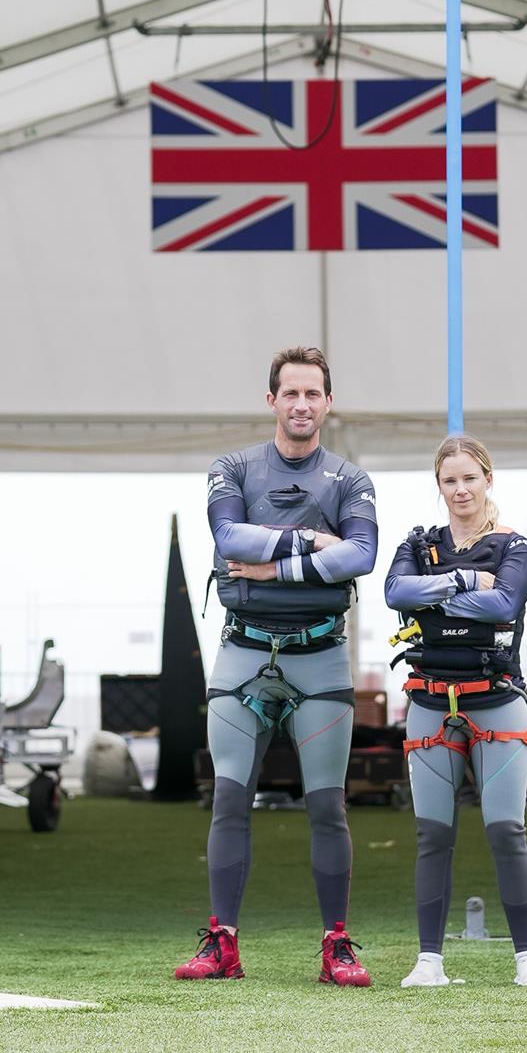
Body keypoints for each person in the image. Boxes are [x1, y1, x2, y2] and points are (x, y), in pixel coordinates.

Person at [175, 346, 377, 986]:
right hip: (242, 654)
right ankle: (222, 944)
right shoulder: (232, 467)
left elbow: (363, 555)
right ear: (272, 400)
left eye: (312, 394)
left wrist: (274, 567)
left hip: (319, 659)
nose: (301, 404)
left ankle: (336, 946)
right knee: (228, 802)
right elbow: (226, 538)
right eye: (290, 393)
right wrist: (310, 541)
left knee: (327, 808)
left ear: (327, 401)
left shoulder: (350, 480)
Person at [384, 435, 527, 989]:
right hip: (430, 701)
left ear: (488, 480)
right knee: (433, 835)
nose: (460, 490)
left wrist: (431, 600)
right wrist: (461, 581)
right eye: (449, 480)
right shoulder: (419, 541)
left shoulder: (515, 546)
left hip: (498, 701)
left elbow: (505, 604)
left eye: (469, 478)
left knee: (507, 830)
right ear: (439, 486)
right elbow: (394, 594)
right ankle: (429, 961)